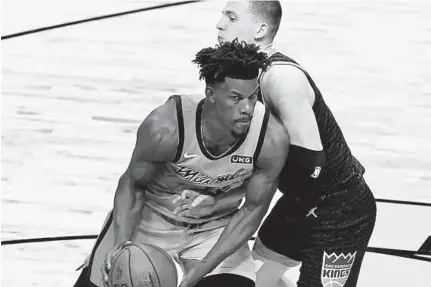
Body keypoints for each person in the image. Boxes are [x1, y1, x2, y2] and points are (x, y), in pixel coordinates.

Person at [175, 1, 377, 287]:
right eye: (222, 15)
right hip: (297, 202)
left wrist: (240, 196)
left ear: (260, 30)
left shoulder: (281, 77)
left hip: (340, 210)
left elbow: (312, 167)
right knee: (258, 281)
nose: (219, 24)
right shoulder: (242, 79)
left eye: (231, 17)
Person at [73, 39, 290, 287]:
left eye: (252, 97)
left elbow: (252, 210)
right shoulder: (166, 128)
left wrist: (201, 270)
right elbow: (132, 186)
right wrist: (122, 247)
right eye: (236, 98)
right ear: (210, 94)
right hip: (150, 217)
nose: (248, 108)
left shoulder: (270, 139)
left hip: (214, 228)